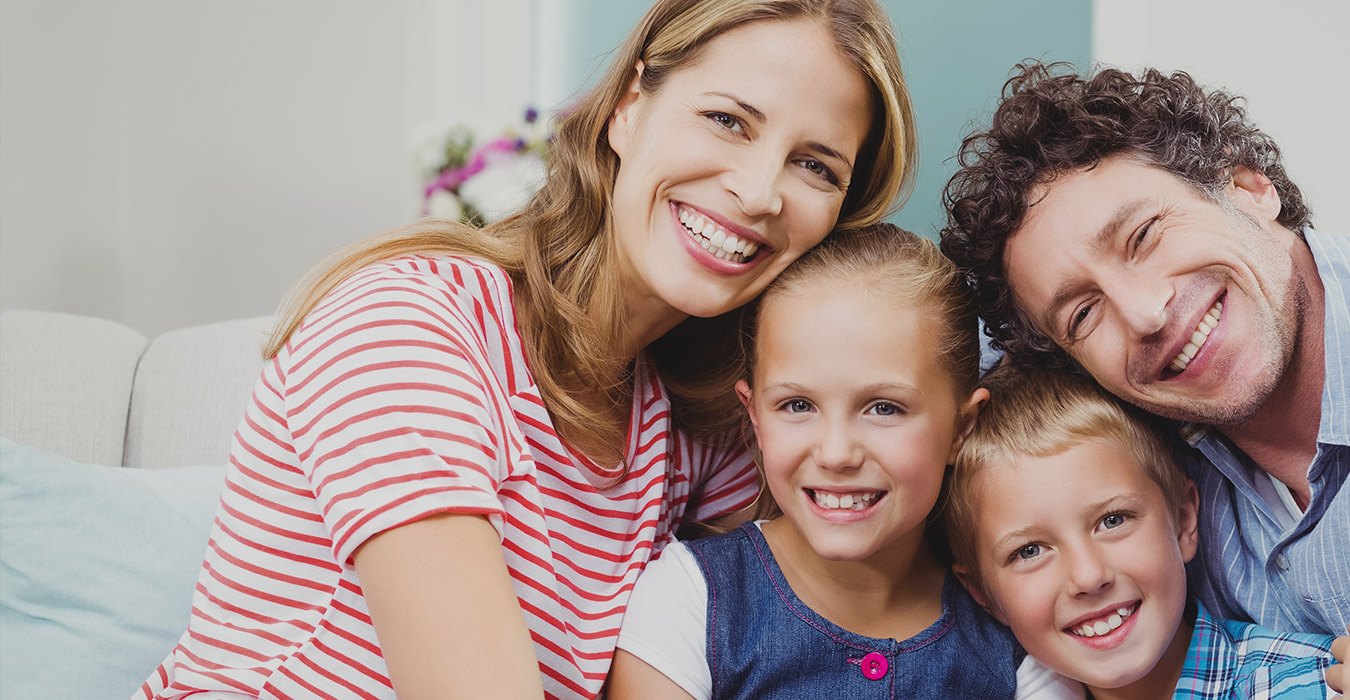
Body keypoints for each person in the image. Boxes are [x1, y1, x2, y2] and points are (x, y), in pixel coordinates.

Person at [138, 1, 917, 697]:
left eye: (815, 165)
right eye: (727, 120)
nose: (757, 191)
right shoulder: (410, 321)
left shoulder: (699, 431)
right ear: (627, 108)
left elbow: (828, 637)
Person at [940, 61, 1349, 635]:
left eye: (1144, 236)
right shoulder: (1146, 472)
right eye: (1083, 314)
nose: (1144, 313)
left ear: (1249, 188)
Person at [608, 225, 1080, 699]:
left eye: (884, 408)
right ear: (753, 416)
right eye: (797, 405)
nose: (836, 454)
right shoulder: (688, 599)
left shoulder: (1018, 631)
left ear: (962, 427)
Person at [944, 366, 1344, 699]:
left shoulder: (1316, 686)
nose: (1088, 576)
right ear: (983, 592)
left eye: (1113, 520)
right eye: (1029, 551)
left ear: (1184, 518)